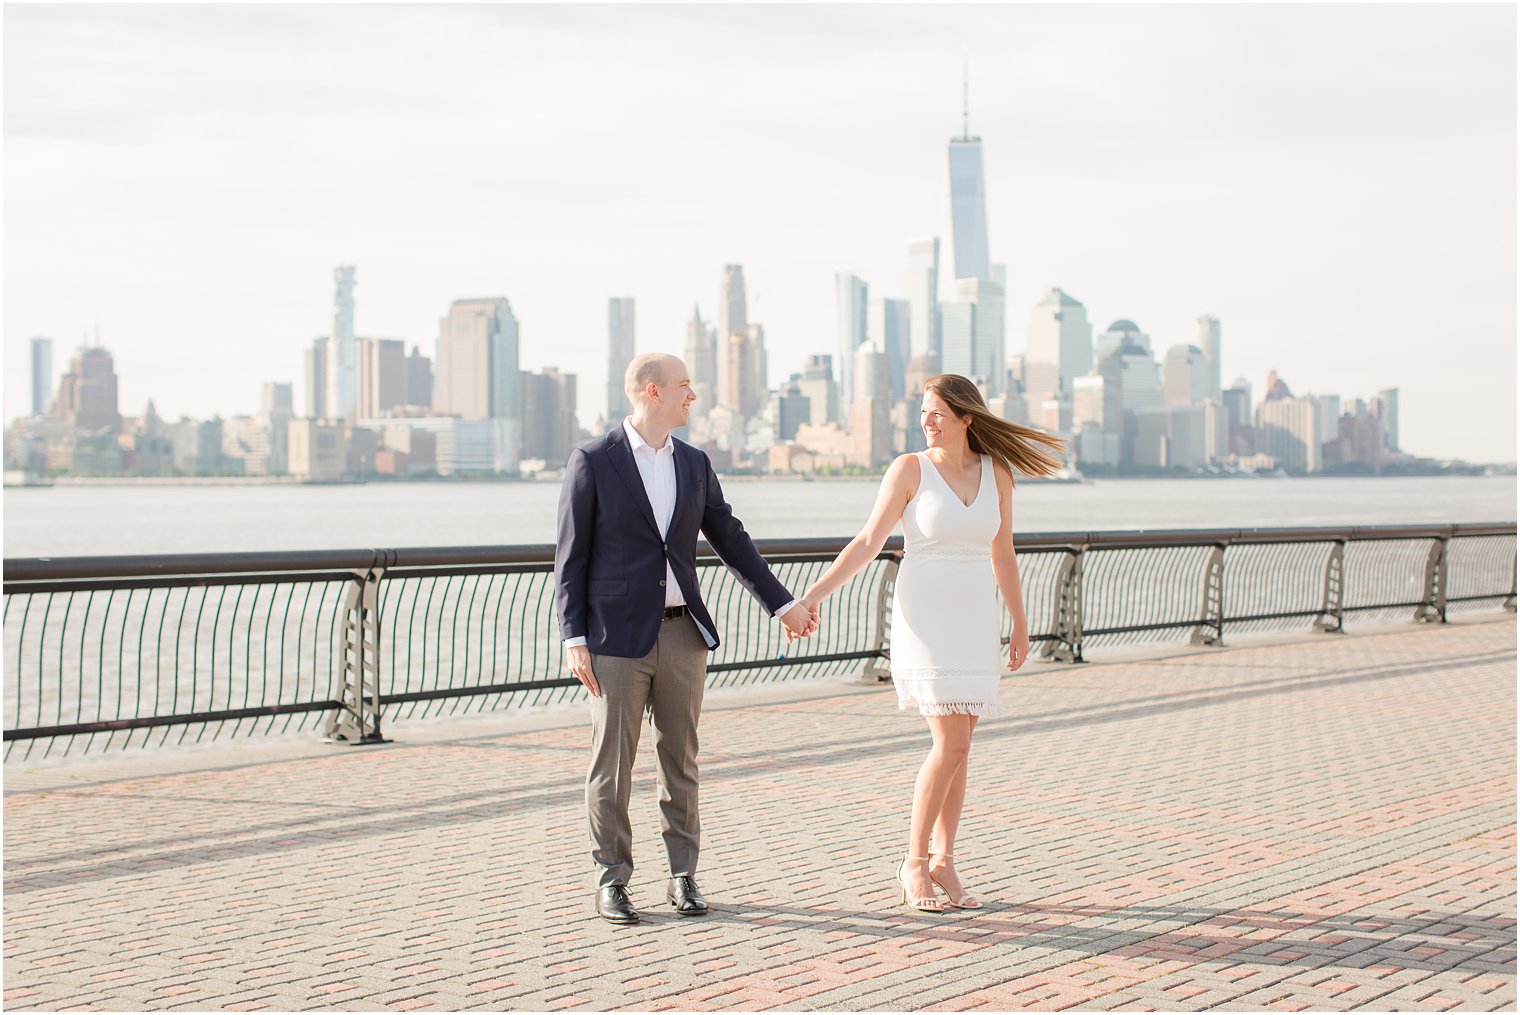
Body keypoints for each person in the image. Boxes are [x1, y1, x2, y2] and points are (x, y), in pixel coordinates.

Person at [554, 352, 819, 925]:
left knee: (682, 759)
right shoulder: (593, 461)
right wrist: (573, 636)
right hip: (615, 640)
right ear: (652, 392)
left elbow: (731, 538)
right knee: (612, 763)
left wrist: (783, 604)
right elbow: (570, 557)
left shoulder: (695, 464)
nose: (691, 396)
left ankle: (683, 877)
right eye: (683, 386)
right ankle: (613, 882)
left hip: (683, 635)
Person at [799, 374, 1065, 913]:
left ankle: (944, 859)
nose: (926, 421)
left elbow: (1004, 553)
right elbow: (870, 541)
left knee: (962, 751)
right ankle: (914, 863)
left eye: (938, 412)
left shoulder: (998, 473)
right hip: (924, 617)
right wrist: (813, 596)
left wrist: (1019, 622)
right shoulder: (910, 469)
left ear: (968, 418)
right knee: (952, 745)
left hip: (974, 618)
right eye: (923, 411)